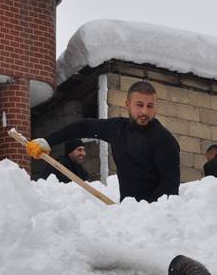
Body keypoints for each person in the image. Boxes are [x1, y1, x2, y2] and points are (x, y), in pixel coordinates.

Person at [27, 81, 180, 202]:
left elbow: (170, 186)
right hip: (128, 213)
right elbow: (84, 126)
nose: (145, 111)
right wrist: (48, 141)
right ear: (127, 104)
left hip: (155, 221)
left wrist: (146, 216)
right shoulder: (117, 129)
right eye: (139, 105)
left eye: (150, 106)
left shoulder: (164, 140)